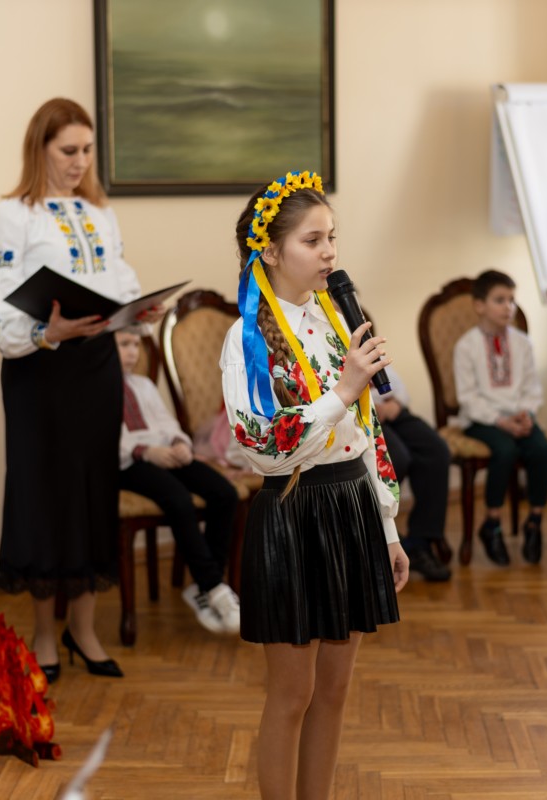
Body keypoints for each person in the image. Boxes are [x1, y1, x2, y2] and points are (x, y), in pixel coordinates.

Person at [220, 170, 409, 800]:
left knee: (334, 689)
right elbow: (262, 447)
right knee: (292, 693)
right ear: (271, 252)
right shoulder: (247, 339)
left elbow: (367, 433)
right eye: (313, 240)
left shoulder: (336, 319)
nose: (330, 253)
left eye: (332, 238)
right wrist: (342, 390)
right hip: (294, 508)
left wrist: (387, 527)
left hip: (351, 504)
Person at [0, 98, 141, 682]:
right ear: (40, 149)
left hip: (97, 366)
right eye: (68, 150)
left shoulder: (99, 212)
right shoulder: (12, 214)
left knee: (95, 491)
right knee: (44, 496)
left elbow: (120, 280)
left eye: (87, 150)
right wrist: (45, 332)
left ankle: (84, 629)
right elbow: (0, 309)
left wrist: (137, 309)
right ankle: (45, 635)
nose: (80, 162)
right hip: (40, 371)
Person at [114, 326, 241, 632]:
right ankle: (214, 586)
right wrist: (146, 451)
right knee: (178, 499)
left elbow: (165, 421)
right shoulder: (94, 388)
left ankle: (202, 587)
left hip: (165, 453)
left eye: (136, 345)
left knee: (224, 493)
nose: (133, 352)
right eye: (124, 344)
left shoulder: (144, 384)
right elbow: (100, 439)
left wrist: (179, 443)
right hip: (129, 463)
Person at [454, 270, 547, 565]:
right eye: (499, 300)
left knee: (540, 449)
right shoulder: (466, 346)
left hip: (518, 417)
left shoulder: (523, 342)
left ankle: (534, 521)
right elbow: (468, 398)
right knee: (505, 450)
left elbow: (532, 387)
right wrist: (500, 420)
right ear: (479, 305)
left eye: (511, 299)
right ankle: (492, 523)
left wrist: (526, 413)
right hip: (482, 420)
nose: (508, 306)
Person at [373, 364, 453, 581]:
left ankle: (420, 543)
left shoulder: (363, 341)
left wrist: (395, 404)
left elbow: (395, 383)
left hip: (391, 411)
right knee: (397, 459)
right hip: (361, 415)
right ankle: (383, 540)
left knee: (436, 452)